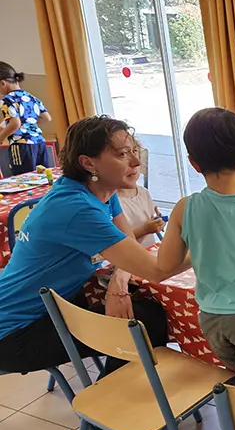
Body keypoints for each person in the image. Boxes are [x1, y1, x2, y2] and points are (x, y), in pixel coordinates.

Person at [0, 116, 183, 374]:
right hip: (15, 331)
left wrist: (119, 283)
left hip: (50, 307)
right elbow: (157, 269)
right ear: (88, 163)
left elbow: (130, 245)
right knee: (145, 321)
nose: (136, 161)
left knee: (136, 306)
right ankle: (116, 405)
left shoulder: (102, 191)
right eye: (122, 154)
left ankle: (127, 396)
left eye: (134, 150)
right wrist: (202, 237)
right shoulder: (77, 208)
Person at [158, 108, 235, 382]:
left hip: (211, 319)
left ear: (193, 163)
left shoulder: (184, 208)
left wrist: (205, 246)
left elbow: (165, 264)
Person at [0, 61, 52, 175]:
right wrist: (28, 123)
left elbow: (15, 124)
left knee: (23, 177)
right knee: (41, 177)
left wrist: (1, 137)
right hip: (39, 143)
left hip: (21, 145)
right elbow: (46, 118)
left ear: (3, 83)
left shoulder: (7, 100)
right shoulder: (30, 97)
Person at [118, 159, 164, 247]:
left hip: (150, 250)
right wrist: (145, 229)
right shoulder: (108, 201)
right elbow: (115, 242)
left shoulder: (143, 192)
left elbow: (149, 219)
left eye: (136, 153)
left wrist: (158, 222)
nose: (135, 163)